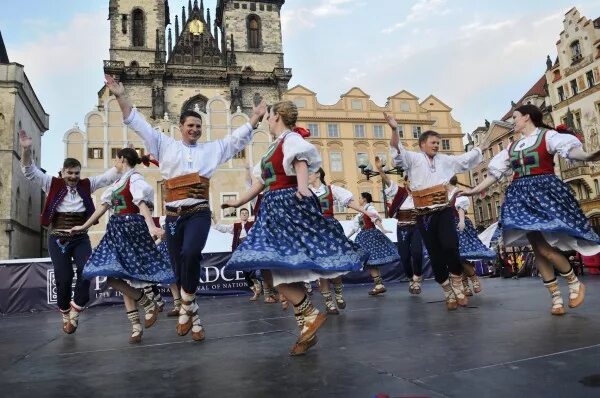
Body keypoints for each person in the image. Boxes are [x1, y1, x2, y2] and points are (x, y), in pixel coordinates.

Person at [105, 74, 267, 341]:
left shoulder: (210, 151)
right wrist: (121, 95)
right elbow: (137, 122)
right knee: (179, 268)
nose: (194, 129)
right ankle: (194, 315)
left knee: (192, 253)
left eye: (198, 126)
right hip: (173, 216)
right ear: (180, 126)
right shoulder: (163, 144)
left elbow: (235, 140)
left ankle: (185, 307)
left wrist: (255, 117)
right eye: (190, 125)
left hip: (198, 212)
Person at [225, 101, 368, 355]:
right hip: (273, 208)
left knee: (276, 269)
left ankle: (310, 314)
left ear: (277, 116)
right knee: (281, 270)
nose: (267, 122)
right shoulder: (274, 146)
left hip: (285, 206)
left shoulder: (290, 139)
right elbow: (261, 182)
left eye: (269, 117)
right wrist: (238, 201)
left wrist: (302, 187)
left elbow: (300, 161)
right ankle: (306, 329)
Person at [460, 104, 600, 315]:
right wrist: (473, 191)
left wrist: (588, 157)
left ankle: (573, 283)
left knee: (543, 249)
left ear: (526, 117)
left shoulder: (548, 136)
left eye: (515, 117)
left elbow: (571, 151)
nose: (513, 121)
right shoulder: (512, 147)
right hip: (521, 199)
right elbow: (494, 175)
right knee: (538, 250)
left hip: (544, 194)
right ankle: (556, 298)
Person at [19, 130, 120, 334]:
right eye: (70, 173)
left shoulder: (86, 185)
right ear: (63, 172)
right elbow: (29, 170)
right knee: (63, 278)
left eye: (76, 173)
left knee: (88, 271)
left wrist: (121, 161)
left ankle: (76, 307)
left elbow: (108, 177)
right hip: (58, 238)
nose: (73, 177)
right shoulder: (52, 183)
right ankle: (65, 310)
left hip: (80, 237)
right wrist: (26, 149)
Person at [70, 148, 175, 343]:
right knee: (118, 278)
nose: (114, 163)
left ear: (122, 159)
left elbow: (142, 203)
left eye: (116, 159)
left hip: (129, 228)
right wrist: (84, 226)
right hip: (116, 230)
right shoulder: (119, 182)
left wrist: (152, 226)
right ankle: (138, 320)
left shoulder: (134, 179)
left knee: (117, 278)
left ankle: (144, 311)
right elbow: (104, 207)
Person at [385, 111, 484, 310]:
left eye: (438, 143)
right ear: (422, 144)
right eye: (433, 142)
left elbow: (464, 160)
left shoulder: (445, 160)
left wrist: (480, 149)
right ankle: (447, 289)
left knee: (451, 247)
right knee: (435, 253)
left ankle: (457, 284)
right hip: (423, 215)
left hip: (443, 210)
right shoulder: (413, 159)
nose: (437, 145)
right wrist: (395, 129)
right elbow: (397, 149)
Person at [308, 167, 368, 314]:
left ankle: (339, 294)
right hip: (315, 231)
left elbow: (350, 203)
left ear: (317, 174)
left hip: (330, 229)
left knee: (336, 265)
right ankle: (329, 303)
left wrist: (366, 212)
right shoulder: (305, 192)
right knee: (322, 268)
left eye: (309, 172)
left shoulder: (331, 189)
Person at [375, 156, 424, 295]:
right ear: (406, 181)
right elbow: (387, 181)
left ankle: (417, 277)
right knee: (404, 256)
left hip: (416, 227)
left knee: (417, 252)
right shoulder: (400, 191)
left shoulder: (420, 195)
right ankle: (410, 278)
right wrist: (380, 170)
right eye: (411, 181)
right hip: (402, 226)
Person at [448, 176, 496, 296]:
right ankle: (465, 285)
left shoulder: (458, 193)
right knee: (456, 257)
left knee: (461, 256)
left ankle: (474, 279)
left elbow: (460, 208)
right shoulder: (447, 194)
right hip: (450, 226)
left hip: (459, 225)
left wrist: (462, 221)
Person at [346, 192, 398, 296]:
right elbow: (355, 227)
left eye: (360, 198)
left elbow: (375, 219)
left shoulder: (370, 209)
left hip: (370, 236)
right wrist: (346, 237)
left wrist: (383, 229)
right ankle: (379, 285)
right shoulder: (361, 213)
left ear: (364, 199)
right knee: (371, 262)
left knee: (371, 262)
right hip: (364, 237)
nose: (359, 200)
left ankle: (379, 285)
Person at [211, 208, 262, 301]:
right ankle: (255, 291)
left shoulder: (253, 225)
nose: (244, 214)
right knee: (245, 273)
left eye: (246, 213)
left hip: (251, 251)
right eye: (242, 213)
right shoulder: (235, 226)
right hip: (240, 251)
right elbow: (222, 228)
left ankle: (261, 288)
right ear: (240, 215)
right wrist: (214, 218)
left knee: (253, 271)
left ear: (248, 215)